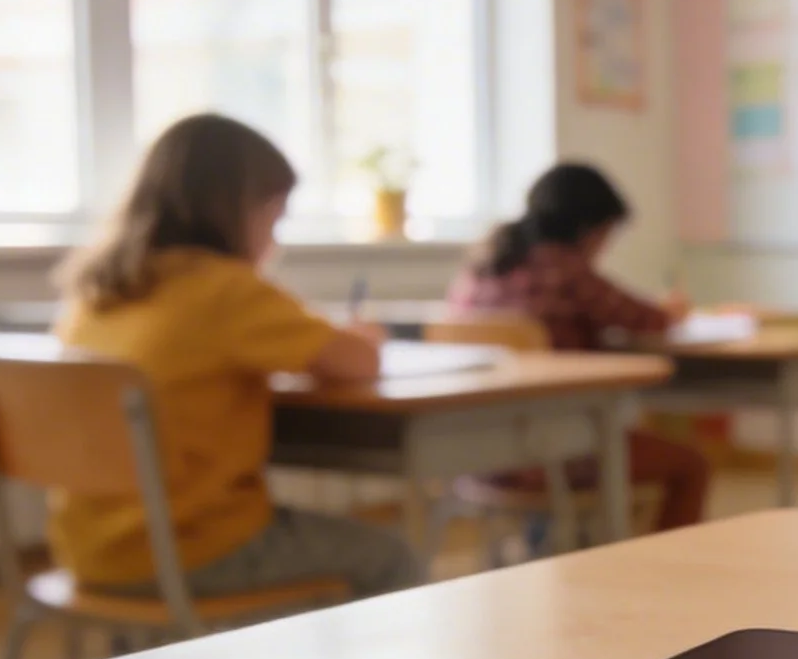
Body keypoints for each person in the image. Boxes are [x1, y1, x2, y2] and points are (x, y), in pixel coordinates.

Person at [52, 113, 422, 601]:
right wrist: (362, 337)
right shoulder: (225, 289)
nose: (276, 237)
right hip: (192, 546)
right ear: (239, 210)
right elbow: (359, 362)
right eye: (276, 216)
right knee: (391, 558)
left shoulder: (100, 293)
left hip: (89, 547)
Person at [447, 163, 710, 531]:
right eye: (608, 234)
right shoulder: (566, 269)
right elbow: (649, 319)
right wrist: (672, 309)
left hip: (476, 453)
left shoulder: (483, 266)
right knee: (691, 463)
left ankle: (554, 544)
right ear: (589, 228)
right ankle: (666, 577)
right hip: (551, 455)